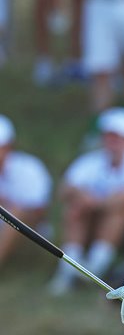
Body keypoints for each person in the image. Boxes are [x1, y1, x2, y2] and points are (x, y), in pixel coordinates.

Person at [47, 107, 124, 295]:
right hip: (98, 222)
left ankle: (90, 270)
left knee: (118, 209)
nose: (113, 142)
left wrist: (92, 202)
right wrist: (84, 198)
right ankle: (72, 270)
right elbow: (66, 189)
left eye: (118, 137)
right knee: (75, 208)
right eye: (110, 136)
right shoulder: (91, 161)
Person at [0, 114, 53, 269]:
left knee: (14, 213)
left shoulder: (29, 168)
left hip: (31, 233)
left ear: (8, 146)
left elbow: (37, 211)